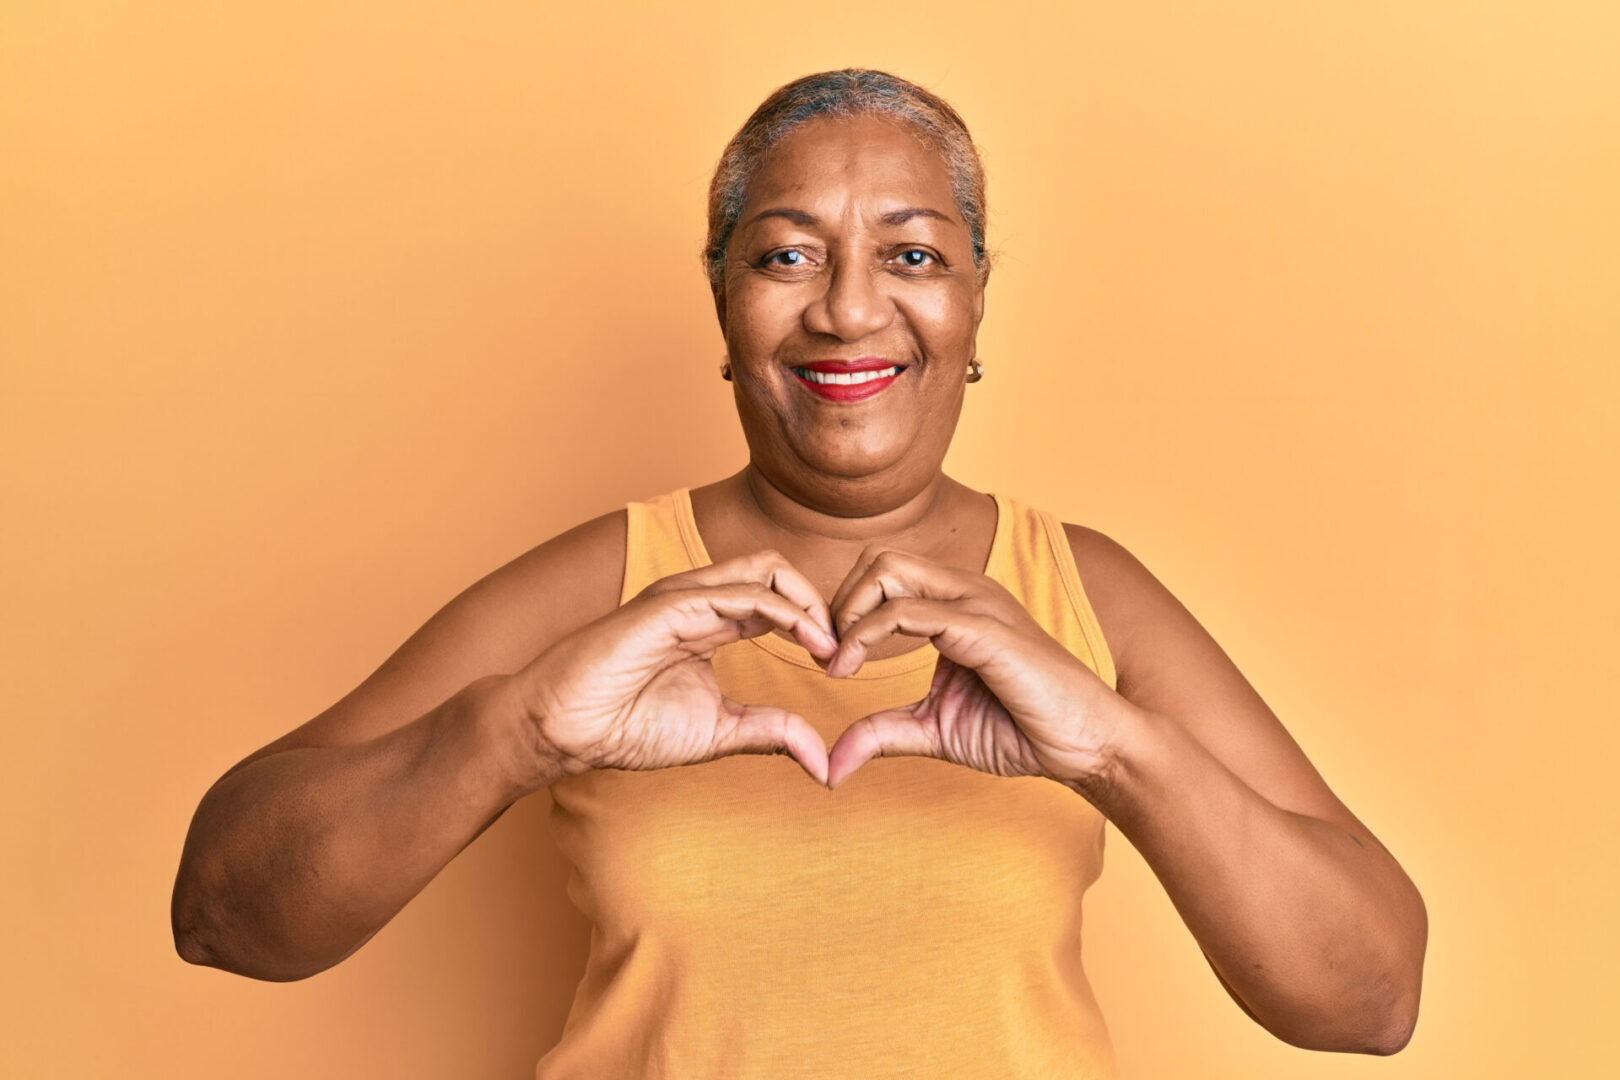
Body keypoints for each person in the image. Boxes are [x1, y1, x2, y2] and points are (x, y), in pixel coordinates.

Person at [171, 69, 1427, 1077]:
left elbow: (1371, 999)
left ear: (979, 299)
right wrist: (518, 733)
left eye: (913, 255)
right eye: (785, 255)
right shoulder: (609, 582)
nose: (846, 310)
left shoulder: (1086, 592)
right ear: (722, 302)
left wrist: (1110, 746)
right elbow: (224, 916)